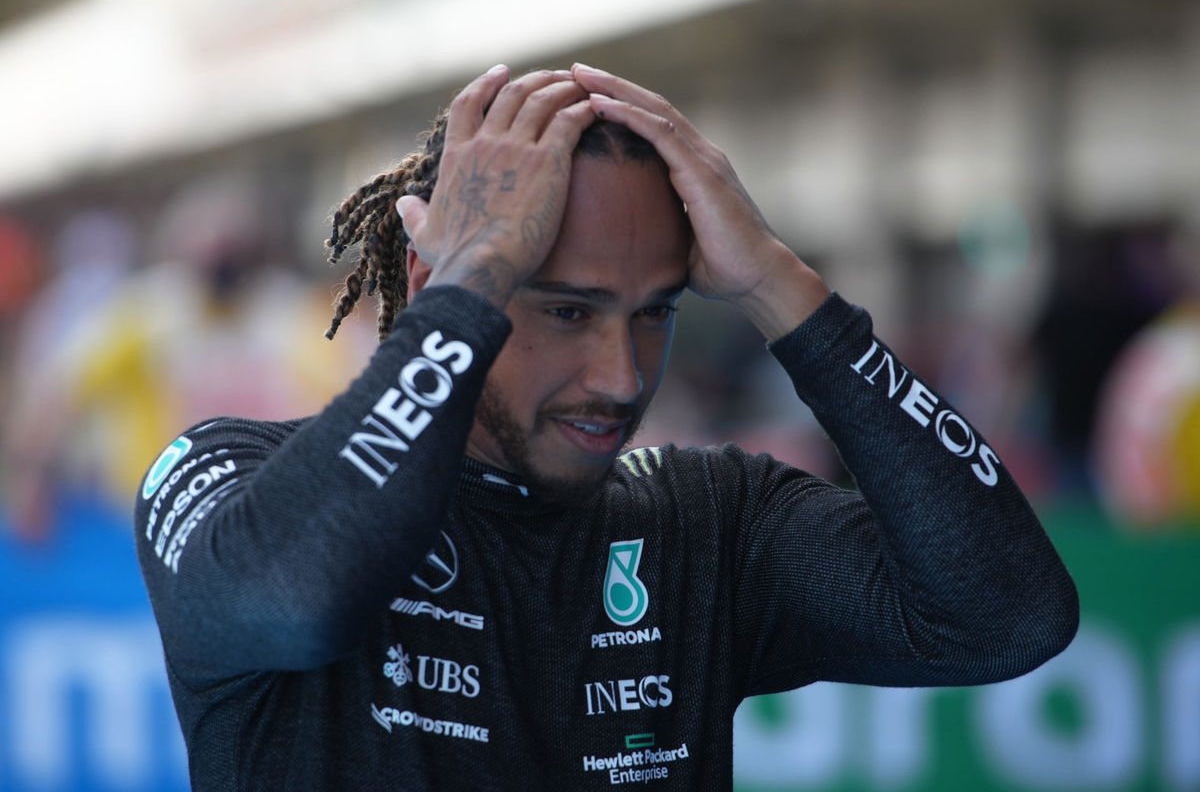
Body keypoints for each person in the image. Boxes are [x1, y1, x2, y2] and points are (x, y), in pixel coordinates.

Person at [135, 64, 1078, 790]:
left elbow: (1006, 617)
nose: (619, 378)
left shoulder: (706, 523)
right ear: (438, 283)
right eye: (568, 312)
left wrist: (783, 290)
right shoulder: (225, 474)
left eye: (654, 312)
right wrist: (467, 288)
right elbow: (297, 597)